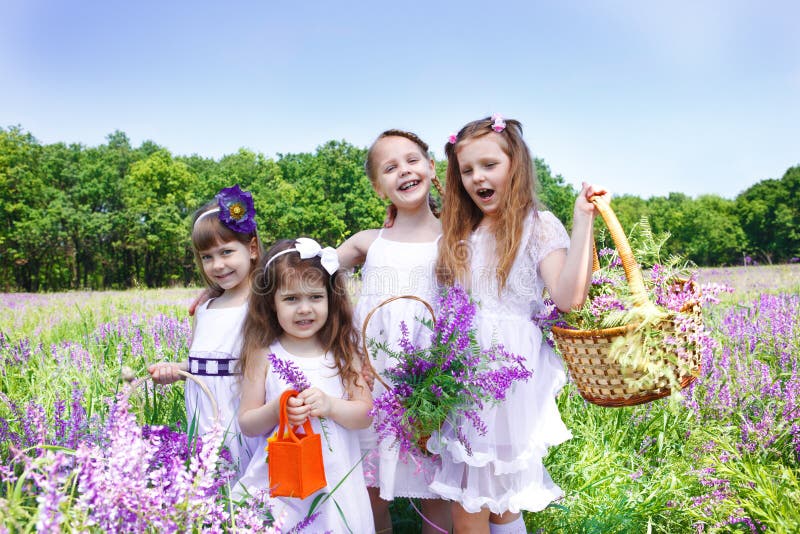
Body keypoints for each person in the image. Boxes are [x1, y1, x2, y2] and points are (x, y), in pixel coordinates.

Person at [430, 115, 607, 534]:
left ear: (515, 165)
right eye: (467, 170)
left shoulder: (538, 226)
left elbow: (568, 298)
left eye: (489, 165)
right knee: (496, 504)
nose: (477, 177)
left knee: (473, 503)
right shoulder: (459, 230)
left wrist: (583, 220)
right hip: (463, 375)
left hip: (508, 379)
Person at [337, 130, 452, 533]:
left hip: (436, 382)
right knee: (370, 488)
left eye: (412, 160)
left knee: (437, 488)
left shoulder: (455, 236)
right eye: (390, 168)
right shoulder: (369, 242)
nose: (404, 171)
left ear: (431, 167)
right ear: (377, 187)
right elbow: (302, 275)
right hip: (375, 381)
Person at [234, 238, 375, 533]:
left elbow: (365, 414)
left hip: (337, 482)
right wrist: (276, 409)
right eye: (290, 299)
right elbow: (247, 423)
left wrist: (330, 406)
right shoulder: (263, 354)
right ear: (271, 303)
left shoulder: (342, 351)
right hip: (285, 483)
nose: (304, 309)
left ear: (331, 298)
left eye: (315, 297)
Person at [148, 185, 262, 481]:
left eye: (226, 252)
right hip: (203, 413)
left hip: (242, 413)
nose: (217, 265)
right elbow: (203, 364)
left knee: (247, 484)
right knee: (209, 481)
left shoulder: (263, 304)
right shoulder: (205, 308)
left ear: (251, 249)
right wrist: (177, 371)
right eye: (207, 257)